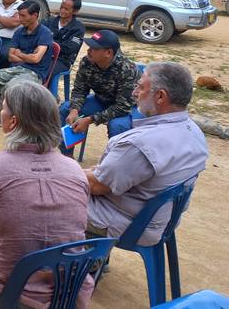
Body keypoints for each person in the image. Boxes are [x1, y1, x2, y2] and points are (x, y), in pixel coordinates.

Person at [0, 80, 93, 309]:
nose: (1, 112)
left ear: (13, 122)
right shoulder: (75, 169)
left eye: (3, 108)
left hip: (9, 292)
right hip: (67, 292)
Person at [85, 62, 208, 246]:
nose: (134, 92)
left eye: (140, 87)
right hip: (163, 220)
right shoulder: (194, 132)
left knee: (49, 194)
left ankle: (70, 265)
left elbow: (97, 186)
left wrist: (63, 172)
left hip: (133, 225)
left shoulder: (141, 144)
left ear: (160, 96)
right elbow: (110, 174)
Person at [59, 29, 141, 142]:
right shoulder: (87, 62)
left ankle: (114, 158)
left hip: (127, 108)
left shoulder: (127, 69)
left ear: (108, 53)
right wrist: (74, 109)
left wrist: (90, 119)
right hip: (101, 101)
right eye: (89, 46)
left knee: (118, 126)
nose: (89, 50)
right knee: (65, 109)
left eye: (95, 48)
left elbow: (122, 107)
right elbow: (79, 90)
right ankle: (67, 156)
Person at [0, 0, 53, 126]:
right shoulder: (19, 32)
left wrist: (19, 54)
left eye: (23, 16)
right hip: (17, 69)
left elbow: (36, 59)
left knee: (9, 87)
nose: (20, 19)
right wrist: (28, 57)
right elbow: (10, 56)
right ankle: (10, 115)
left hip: (35, 73)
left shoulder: (45, 33)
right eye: (19, 15)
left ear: (35, 15)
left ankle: (10, 118)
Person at [41, 0, 85, 77]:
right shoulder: (49, 21)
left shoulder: (78, 28)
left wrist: (48, 43)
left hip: (62, 60)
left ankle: (44, 89)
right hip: (42, 55)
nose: (62, 10)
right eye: (61, 7)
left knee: (44, 70)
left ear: (75, 11)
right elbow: (38, 37)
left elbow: (69, 48)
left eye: (66, 9)